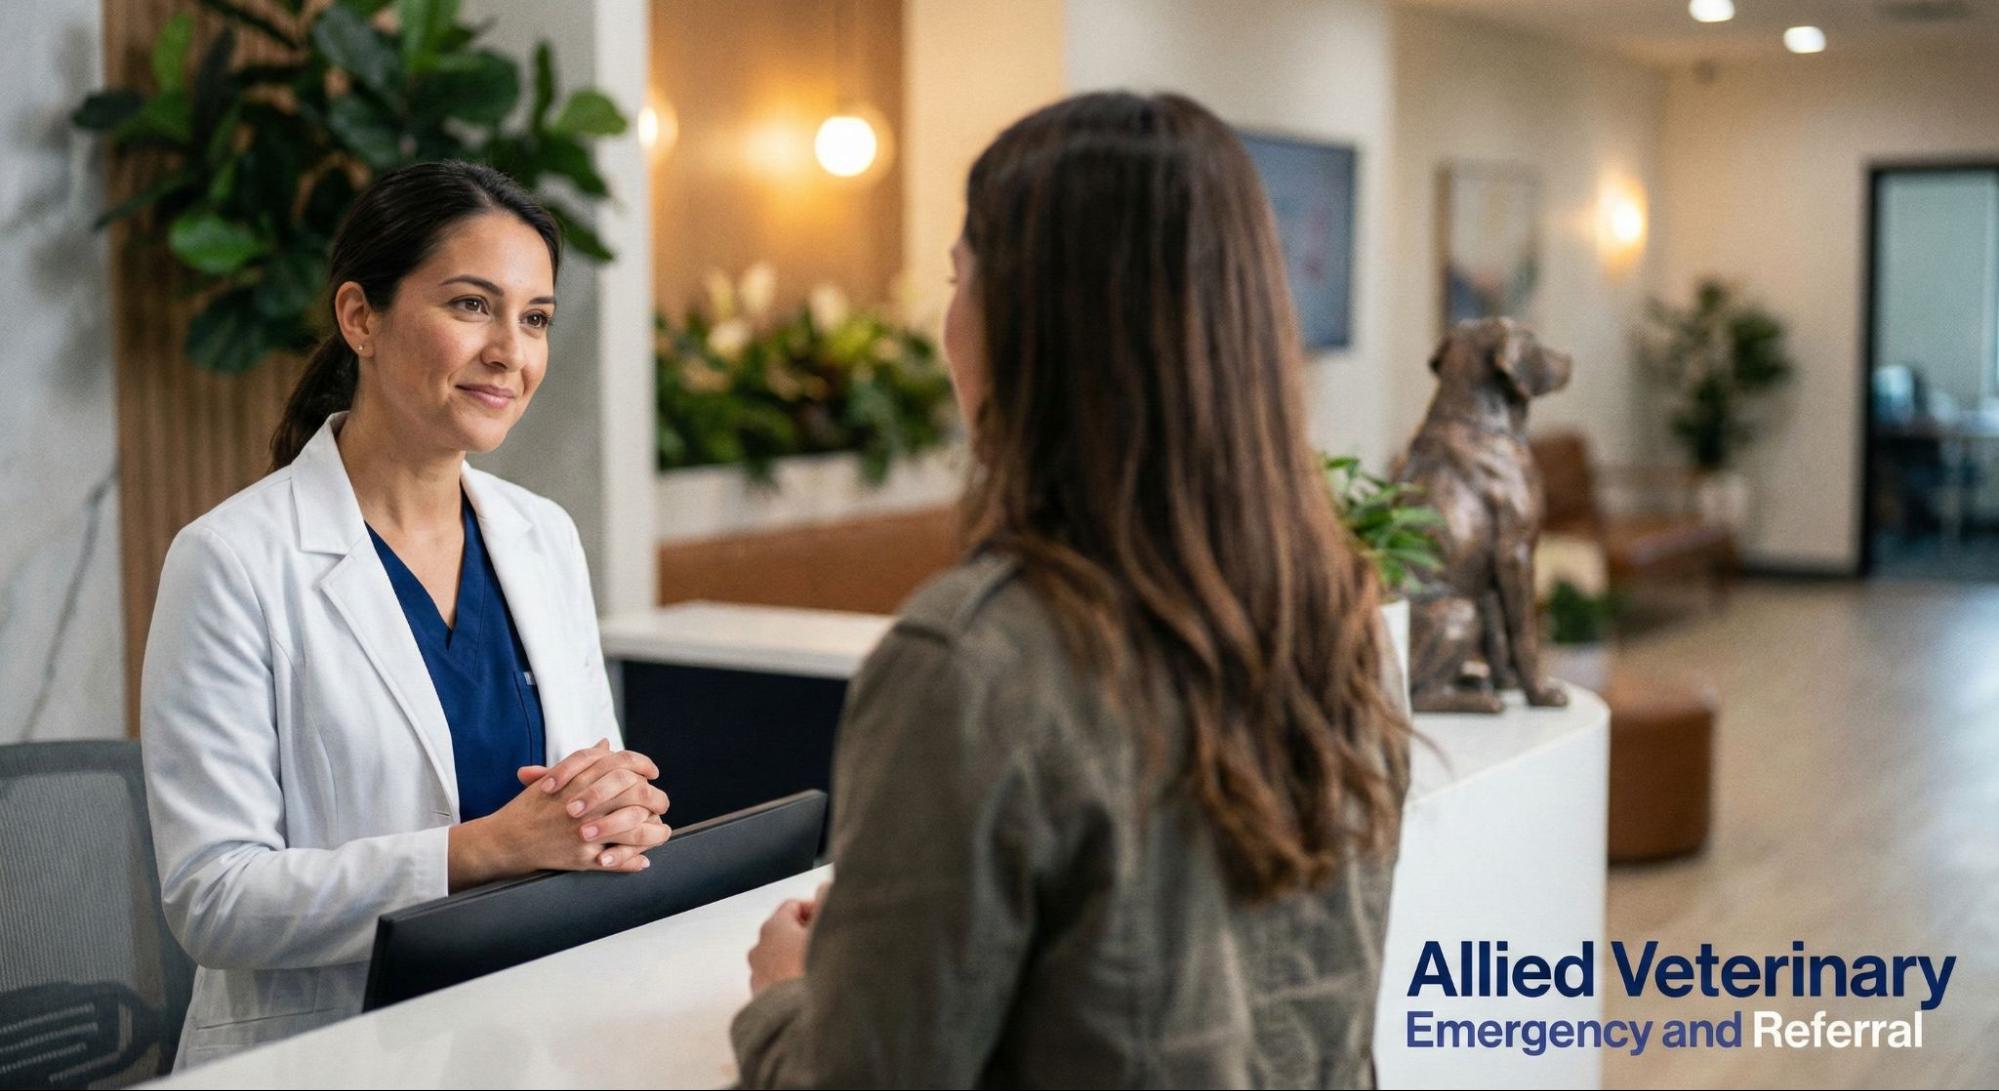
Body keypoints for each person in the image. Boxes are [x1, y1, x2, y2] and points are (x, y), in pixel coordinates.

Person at [728, 92, 1414, 1088]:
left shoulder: (969, 661)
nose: (944, 322)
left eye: (958, 280)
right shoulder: (1335, 614)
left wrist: (786, 994)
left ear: (1025, 327)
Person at [140, 161, 669, 1068]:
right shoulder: (230, 561)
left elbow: (582, 792)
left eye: (535, 317)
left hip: (530, 1032)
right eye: (472, 305)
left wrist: (613, 812)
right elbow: (213, 899)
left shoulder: (544, 538)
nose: (512, 349)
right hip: (324, 1056)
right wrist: (480, 850)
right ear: (360, 318)